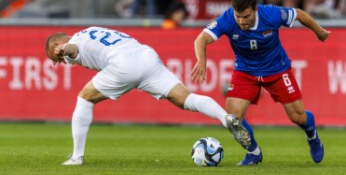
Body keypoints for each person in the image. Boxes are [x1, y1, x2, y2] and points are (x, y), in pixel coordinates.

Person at [45, 26, 251, 165]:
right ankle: (225, 118)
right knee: (186, 99)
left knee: (84, 98)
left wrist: (65, 49)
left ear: (56, 46)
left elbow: (73, 48)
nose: (58, 62)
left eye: (54, 58)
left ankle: (77, 157)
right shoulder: (90, 30)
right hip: (146, 55)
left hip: (124, 64)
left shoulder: (73, 42)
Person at [191, 0, 330, 165]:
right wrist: (201, 60)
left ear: (255, 10)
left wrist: (319, 31)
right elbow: (200, 39)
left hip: (277, 70)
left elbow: (299, 14)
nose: (241, 21)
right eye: (238, 16)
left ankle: (312, 136)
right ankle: (254, 153)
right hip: (245, 71)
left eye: (246, 16)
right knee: (233, 118)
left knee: (298, 117)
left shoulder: (271, 14)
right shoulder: (227, 19)